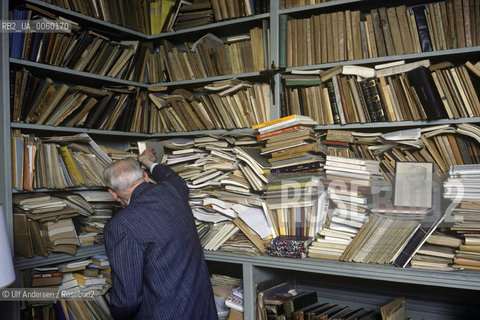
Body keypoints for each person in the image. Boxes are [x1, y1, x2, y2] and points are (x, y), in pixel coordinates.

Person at [102, 148, 217, 320]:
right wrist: (149, 162)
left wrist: (115, 314)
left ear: (113, 194)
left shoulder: (120, 225)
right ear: (146, 177)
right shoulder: (174, 191)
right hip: (202, 309)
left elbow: (127, 299)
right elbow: (172, 177)